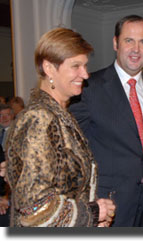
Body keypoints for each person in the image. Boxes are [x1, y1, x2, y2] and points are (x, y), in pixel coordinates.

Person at [69, 15, 143, 227]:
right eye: (129, 41)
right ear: (115, 43)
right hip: (107, 207)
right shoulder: (88, 88)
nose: (136, 49)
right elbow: (72, 150)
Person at [4, 27, 115, 227]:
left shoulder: (60, 116)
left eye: (85, 65)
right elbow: (34, 209)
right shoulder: (39, 119)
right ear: (49, 68)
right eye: (76, 66)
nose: (86, 74)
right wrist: (94, 212)